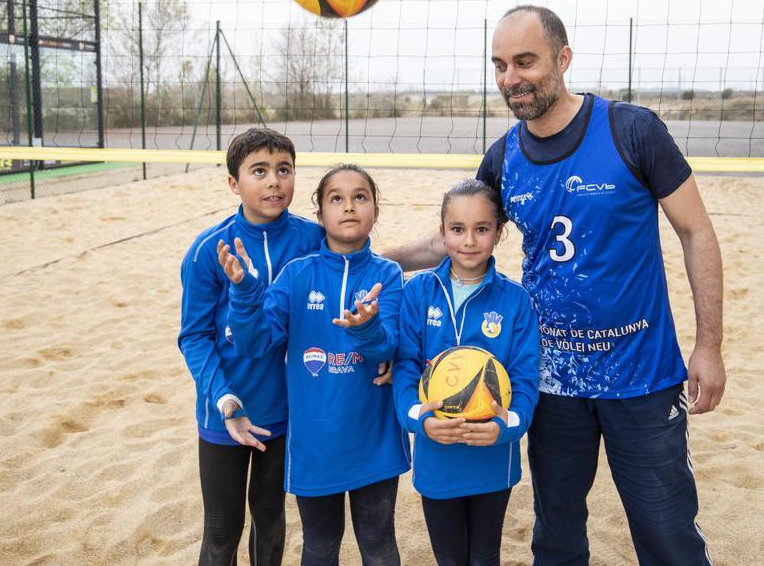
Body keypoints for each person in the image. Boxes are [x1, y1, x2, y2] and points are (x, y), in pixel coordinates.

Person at [386, 6, 726, 566]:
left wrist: (709, 345)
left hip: (642, 376)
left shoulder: (631, 130)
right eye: (499, 65)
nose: (510, 79)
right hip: (554, 382)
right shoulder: (503, 157)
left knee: (666, 535)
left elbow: (697, 231)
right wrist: (382, 260)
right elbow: (455, 238)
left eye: (525, 62)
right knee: (557, 535)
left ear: (563, 59)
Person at [224, 164, 409, 566]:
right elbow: (256, 343)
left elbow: (386, 349)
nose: (348, 207)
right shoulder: (296, 275)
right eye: (336, 199)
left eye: (360, 197)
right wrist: (244, 293)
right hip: (315, 443)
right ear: (320, 213)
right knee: (321, 545)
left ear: (375, 210)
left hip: (373, 440)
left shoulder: (388, 275)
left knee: (378, 544)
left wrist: (367, 328)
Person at [178, 128, 324, 566]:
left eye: (284, 170)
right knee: (222, 530)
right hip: (225, 409)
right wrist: (222, 398)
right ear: (233, 183)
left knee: (270, 518)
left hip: (283, 411)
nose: (274, 181)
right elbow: (193, 336)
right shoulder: (208, 250)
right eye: (259, 171)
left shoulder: (313, 241)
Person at [393, 178, 540, 566]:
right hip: (436, 452)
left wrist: (507, 425)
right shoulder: (418, 291)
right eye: (457, 229)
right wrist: (417, 419)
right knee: (449, 558)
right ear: (442, 233)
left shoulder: (516, 300)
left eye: (482, 229)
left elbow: (525, 379)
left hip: (492, 454)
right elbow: (406, 366)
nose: (469, 241)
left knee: (485, 555)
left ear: (499, 233)